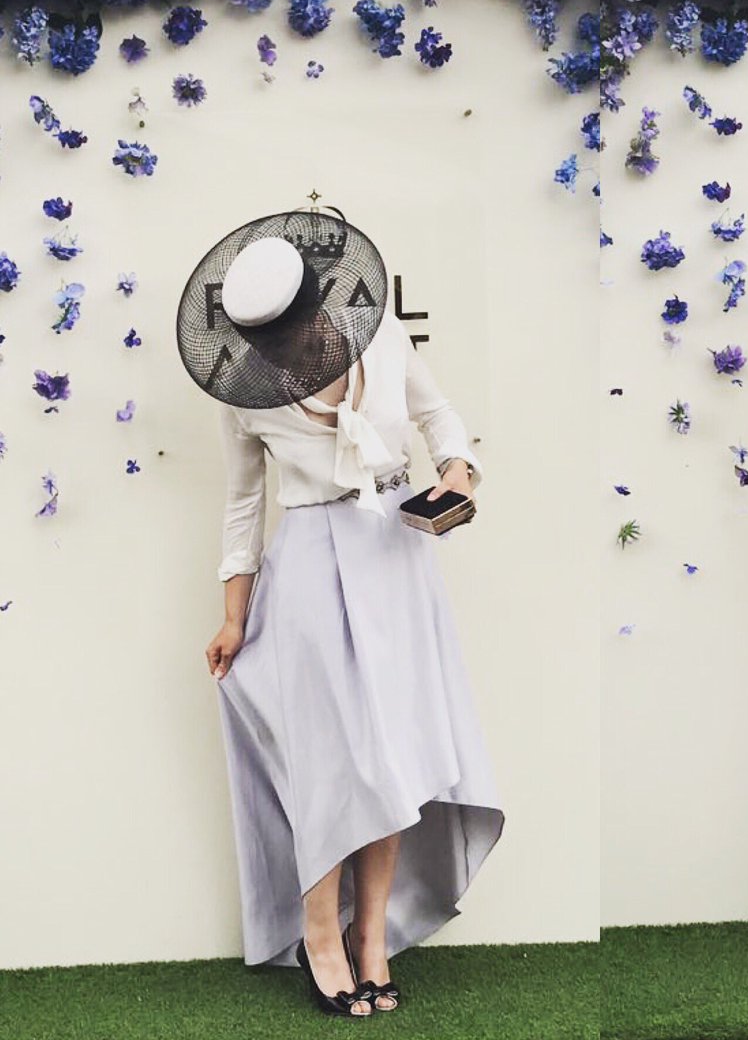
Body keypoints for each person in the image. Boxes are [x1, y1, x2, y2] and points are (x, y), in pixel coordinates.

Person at [175, 210, 503, 1015]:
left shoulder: (383, 333)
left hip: (398, 553)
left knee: (390, 758)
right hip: (312, 568)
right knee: (331, 763)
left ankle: (373, 939)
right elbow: (244, 509)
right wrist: (231, 618)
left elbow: (438, 417)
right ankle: (320, 931)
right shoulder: (245, 394)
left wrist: (457, 471)